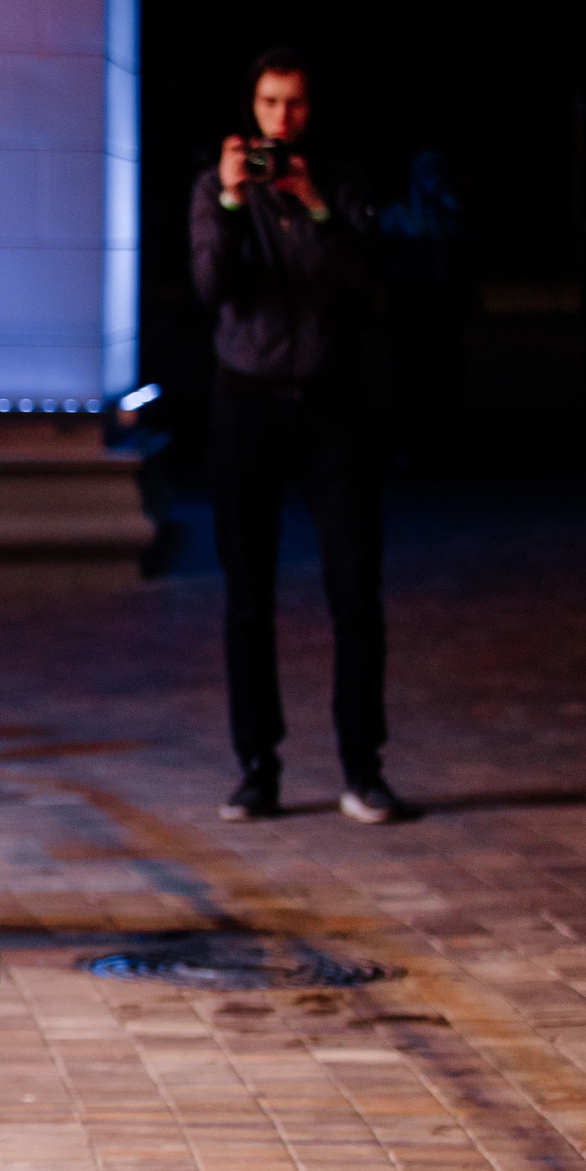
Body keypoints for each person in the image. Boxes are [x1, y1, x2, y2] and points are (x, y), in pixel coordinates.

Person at [189, 48, 403, 824]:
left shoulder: (338, 185)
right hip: (245, 406)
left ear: (312, 111)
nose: (282, 119)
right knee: (248, 596)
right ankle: (257, 768)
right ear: (252, 108)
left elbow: (367, 281)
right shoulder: (217, 187)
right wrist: (239, 203)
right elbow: (215, 288)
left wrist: (315, 205)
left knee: (356, 591)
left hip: (332, 407)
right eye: (271, 103)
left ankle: (363, 769)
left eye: (297, 105)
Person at [378, 149, 468, 472]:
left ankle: (449, 445)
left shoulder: (449, 212)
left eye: (439, 172)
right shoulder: (399, 214)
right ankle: (407, 447)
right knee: (409, 378)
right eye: (429, 172)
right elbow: (384, 261)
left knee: (448, 378)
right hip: (411, 304)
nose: (436, 179)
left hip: (443, 303)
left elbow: (464, 256)